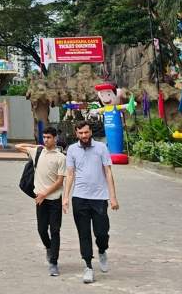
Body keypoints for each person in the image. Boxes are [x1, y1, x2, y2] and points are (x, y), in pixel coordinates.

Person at [62, 122, 119, 284]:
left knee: (102, 232)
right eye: (80, 133)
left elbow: (108, 172)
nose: (84, 136)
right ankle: (88, 266)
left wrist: (113, 197)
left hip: (99, 198)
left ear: (91, 132)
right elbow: (70, 174)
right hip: (79, 198)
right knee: (84, 233)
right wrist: (65, 197)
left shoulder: (101, 148)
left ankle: (102, 250)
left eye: (86, 132)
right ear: (76, 133)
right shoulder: (72, 150)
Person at [15, 127, 66, 276]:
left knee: (55, 231)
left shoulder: (61, 157)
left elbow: (60, 181)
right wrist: (35, 146)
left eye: (49, 137)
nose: (46, 140)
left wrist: (45, 193)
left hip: (54, 200)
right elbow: (17, 146)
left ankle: (54, 262)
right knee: (42, 230)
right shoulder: (37, 152)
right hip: (40, 200)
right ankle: (49, 247)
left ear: (55, 138)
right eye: (44, 137)